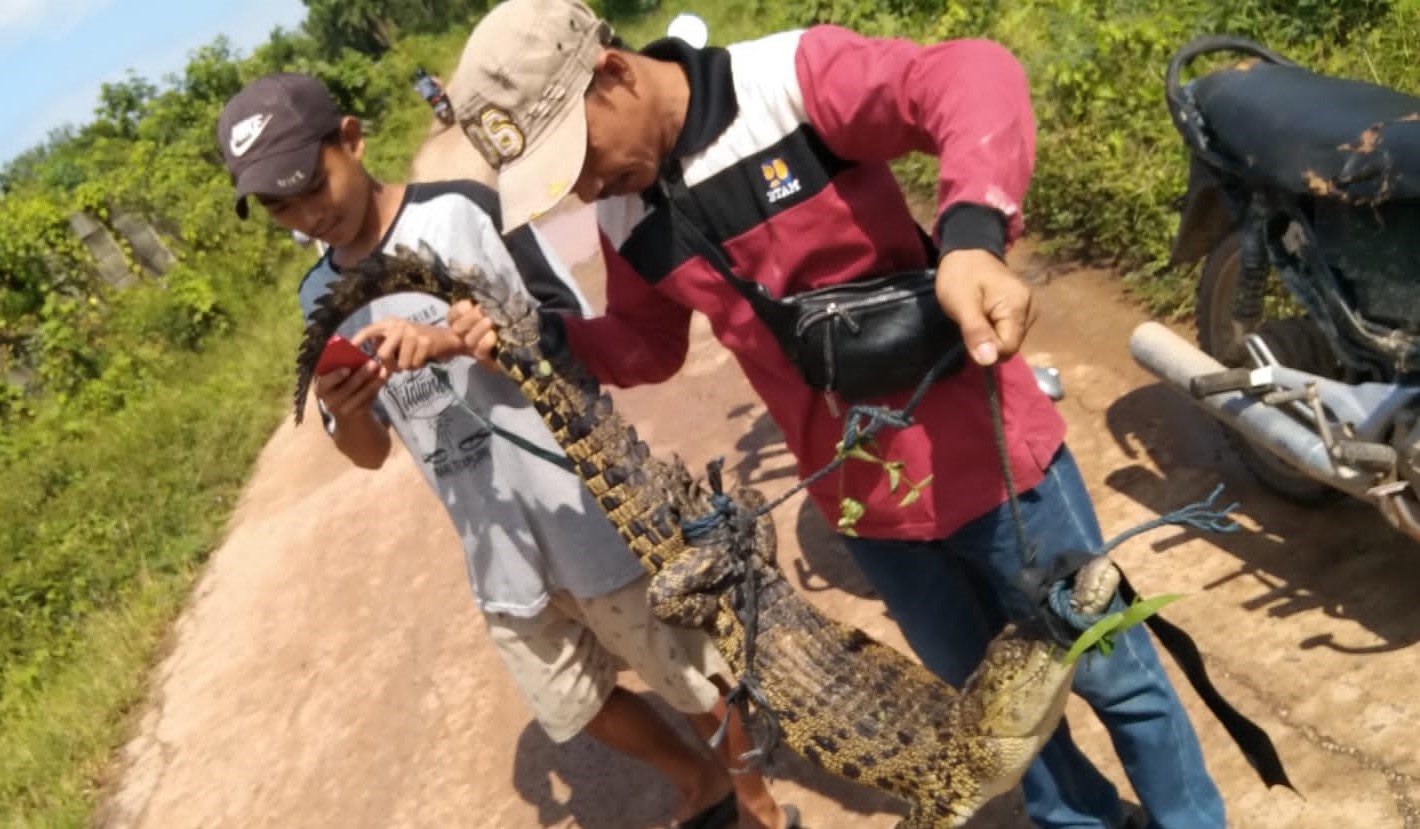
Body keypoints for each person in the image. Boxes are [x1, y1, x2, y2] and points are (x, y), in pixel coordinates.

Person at [445, 2, 1227, 828]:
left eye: (581, 157)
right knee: (981, 714)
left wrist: (970, 237)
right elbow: (647, 345)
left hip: (989, 456)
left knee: (1114, 668)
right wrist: (540, 341)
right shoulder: (623, 214)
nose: (586, 188)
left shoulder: (786, 83)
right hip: (866, 506)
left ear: (614, 75)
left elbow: (971, 75)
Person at [215, 71, 796, 829]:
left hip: (586, 506)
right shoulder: (316, 295)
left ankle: (758, 803)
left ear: (352, 139)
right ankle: (699, 779)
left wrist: (460, 339)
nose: (306, 213)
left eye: (308, 183)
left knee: (687, 672)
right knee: (571, 702)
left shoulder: (465, 212)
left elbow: (576, 334)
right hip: (495, 542)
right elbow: (367, 453)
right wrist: (347, 412)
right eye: (279, 205)